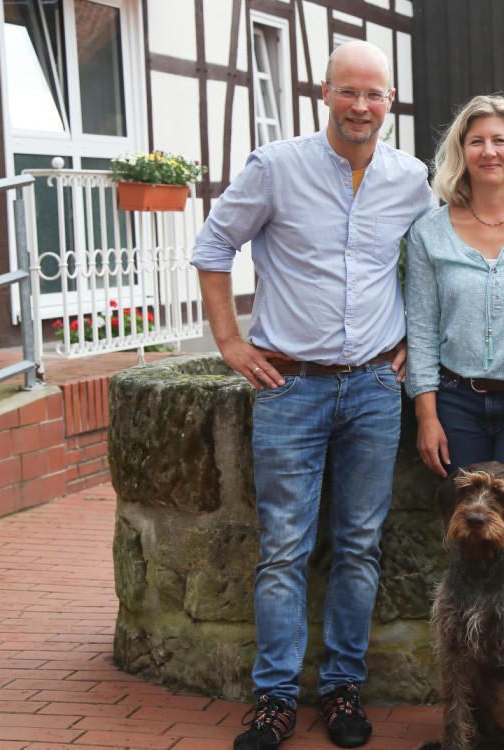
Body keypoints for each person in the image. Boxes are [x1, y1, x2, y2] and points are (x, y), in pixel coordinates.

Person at [192, 41, 433, 750]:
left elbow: (429, 267)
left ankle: (341, 689)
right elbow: (212, 249)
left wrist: (417, 340)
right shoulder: (276, 167)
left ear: (391, 102)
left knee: (360, 546)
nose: (362, 106)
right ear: (323, 93)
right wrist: (231, 343)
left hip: (371, 390)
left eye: (375, 94)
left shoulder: (410, 179)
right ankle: (273, 699)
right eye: (348, 92)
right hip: (289, 388)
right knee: (283, 550)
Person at [404, 95, 504, 610]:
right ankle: (478, 666)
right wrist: (427, 416)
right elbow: (423, 330)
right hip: (457, 404)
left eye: (500, 141)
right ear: (461, 151)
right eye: (477, 141)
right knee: (471, 541)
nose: (488, 151)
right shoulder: (429, 232)